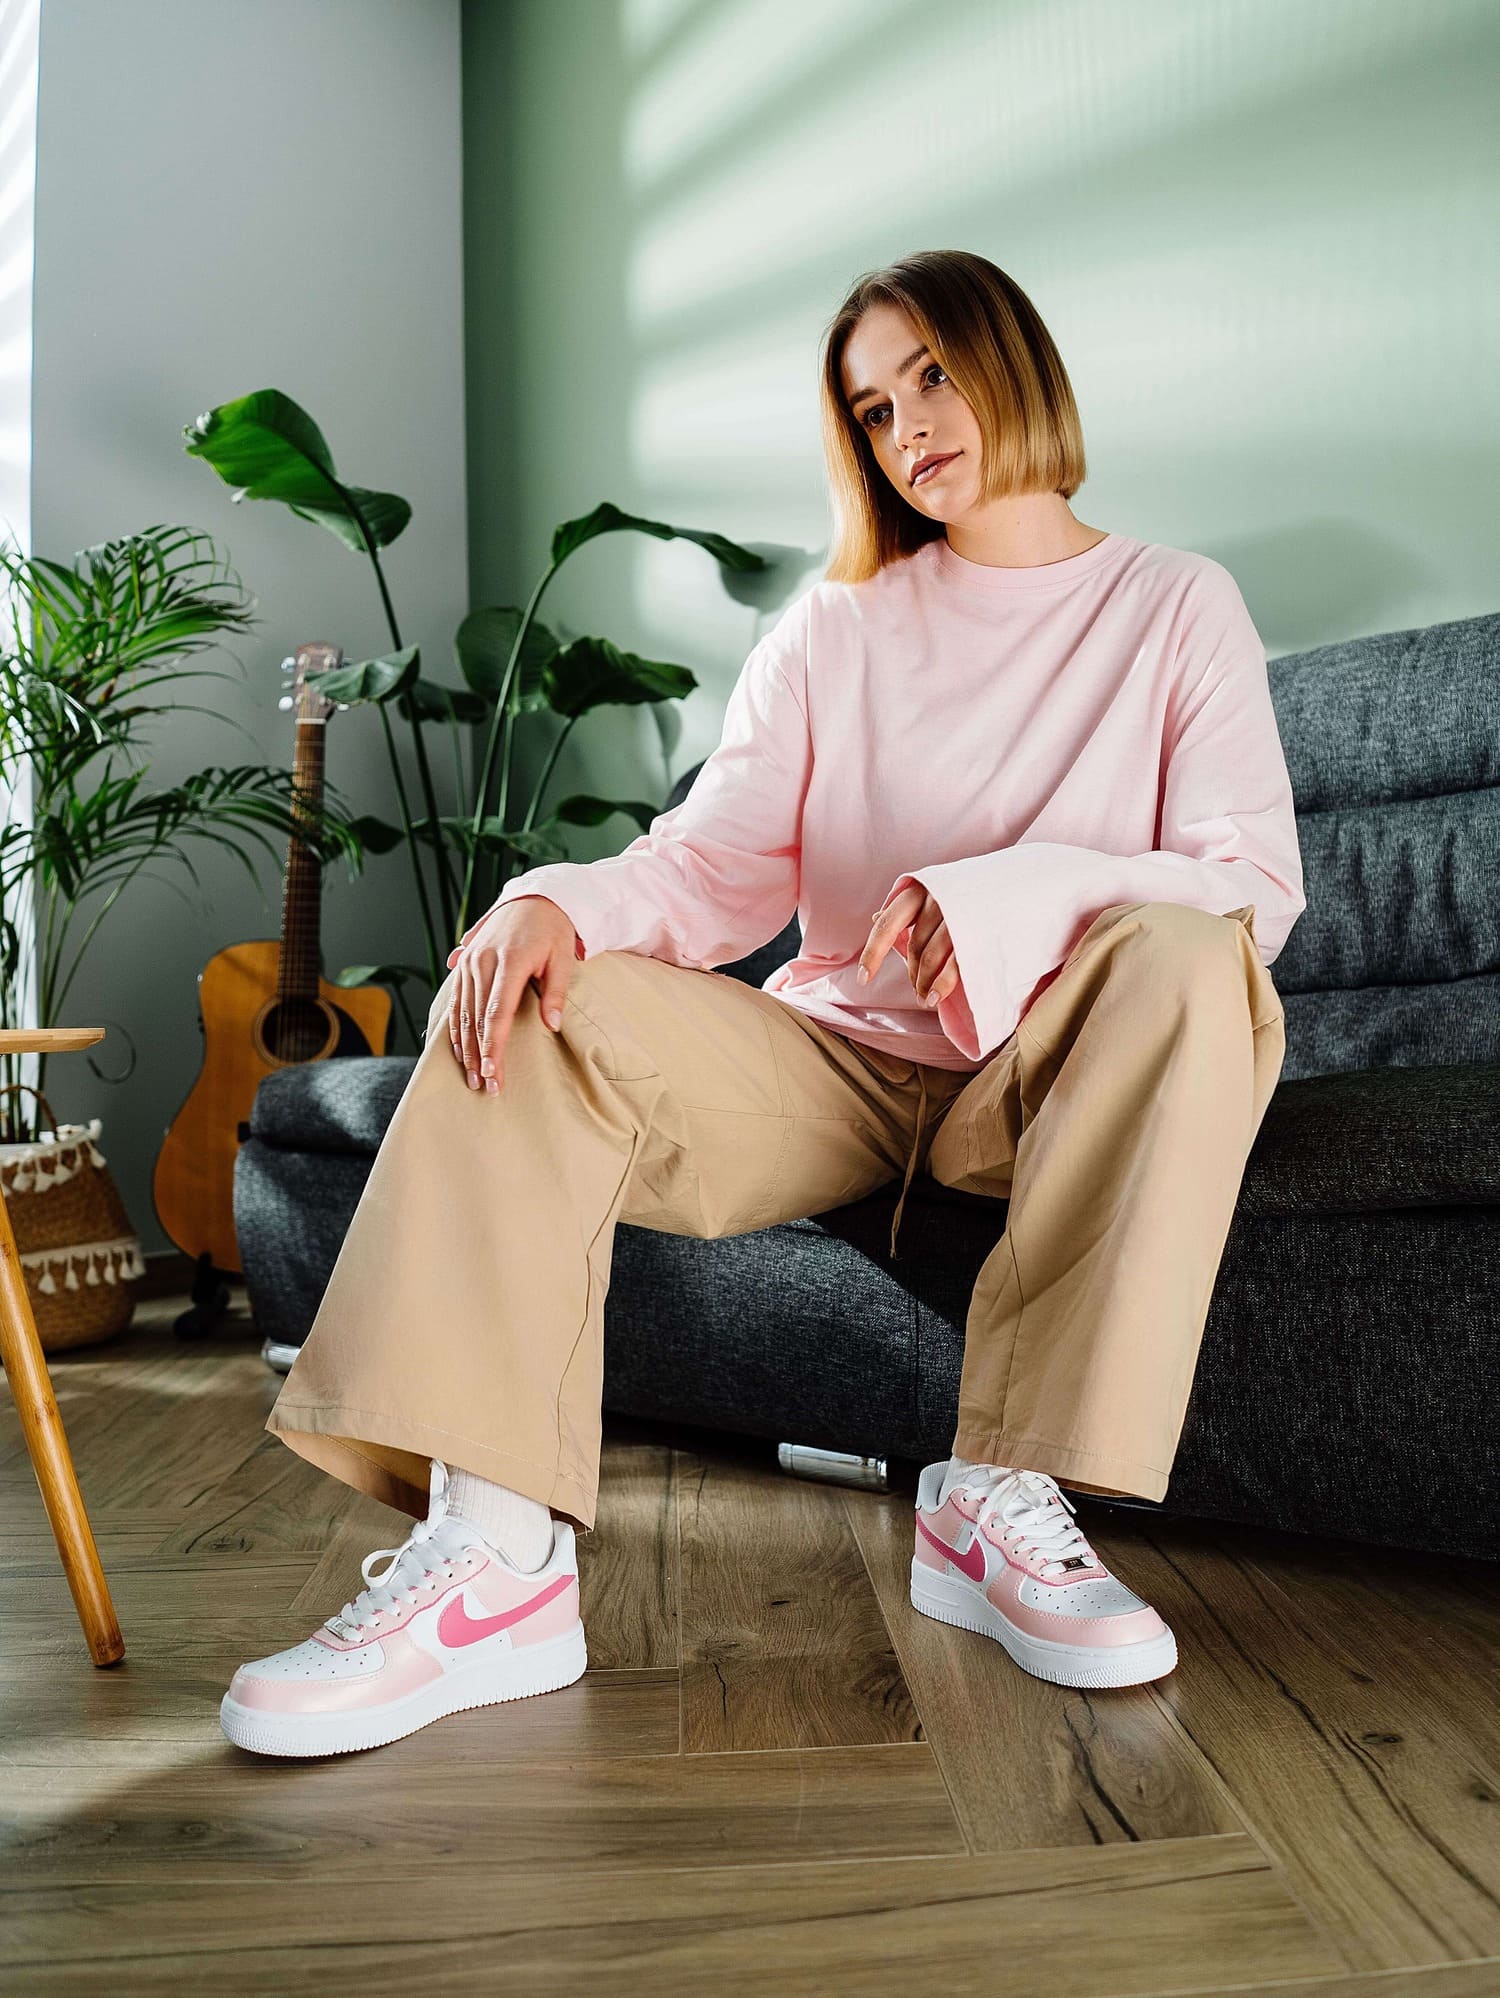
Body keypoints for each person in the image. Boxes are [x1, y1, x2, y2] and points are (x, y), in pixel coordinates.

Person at [220, 250, 1303, 1756]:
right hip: (838, 1064)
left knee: (1201, 962)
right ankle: (494, 1560)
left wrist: (1010, 893)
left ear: (1014, 360)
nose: (908, 425)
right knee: (530, 994)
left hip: (1055, 1071)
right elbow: (715, 862)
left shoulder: (1178, 607)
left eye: (930, 373)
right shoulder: (837, 626)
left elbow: (1249, 881)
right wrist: (550, 901)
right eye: (872, 407)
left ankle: (995, 1494)